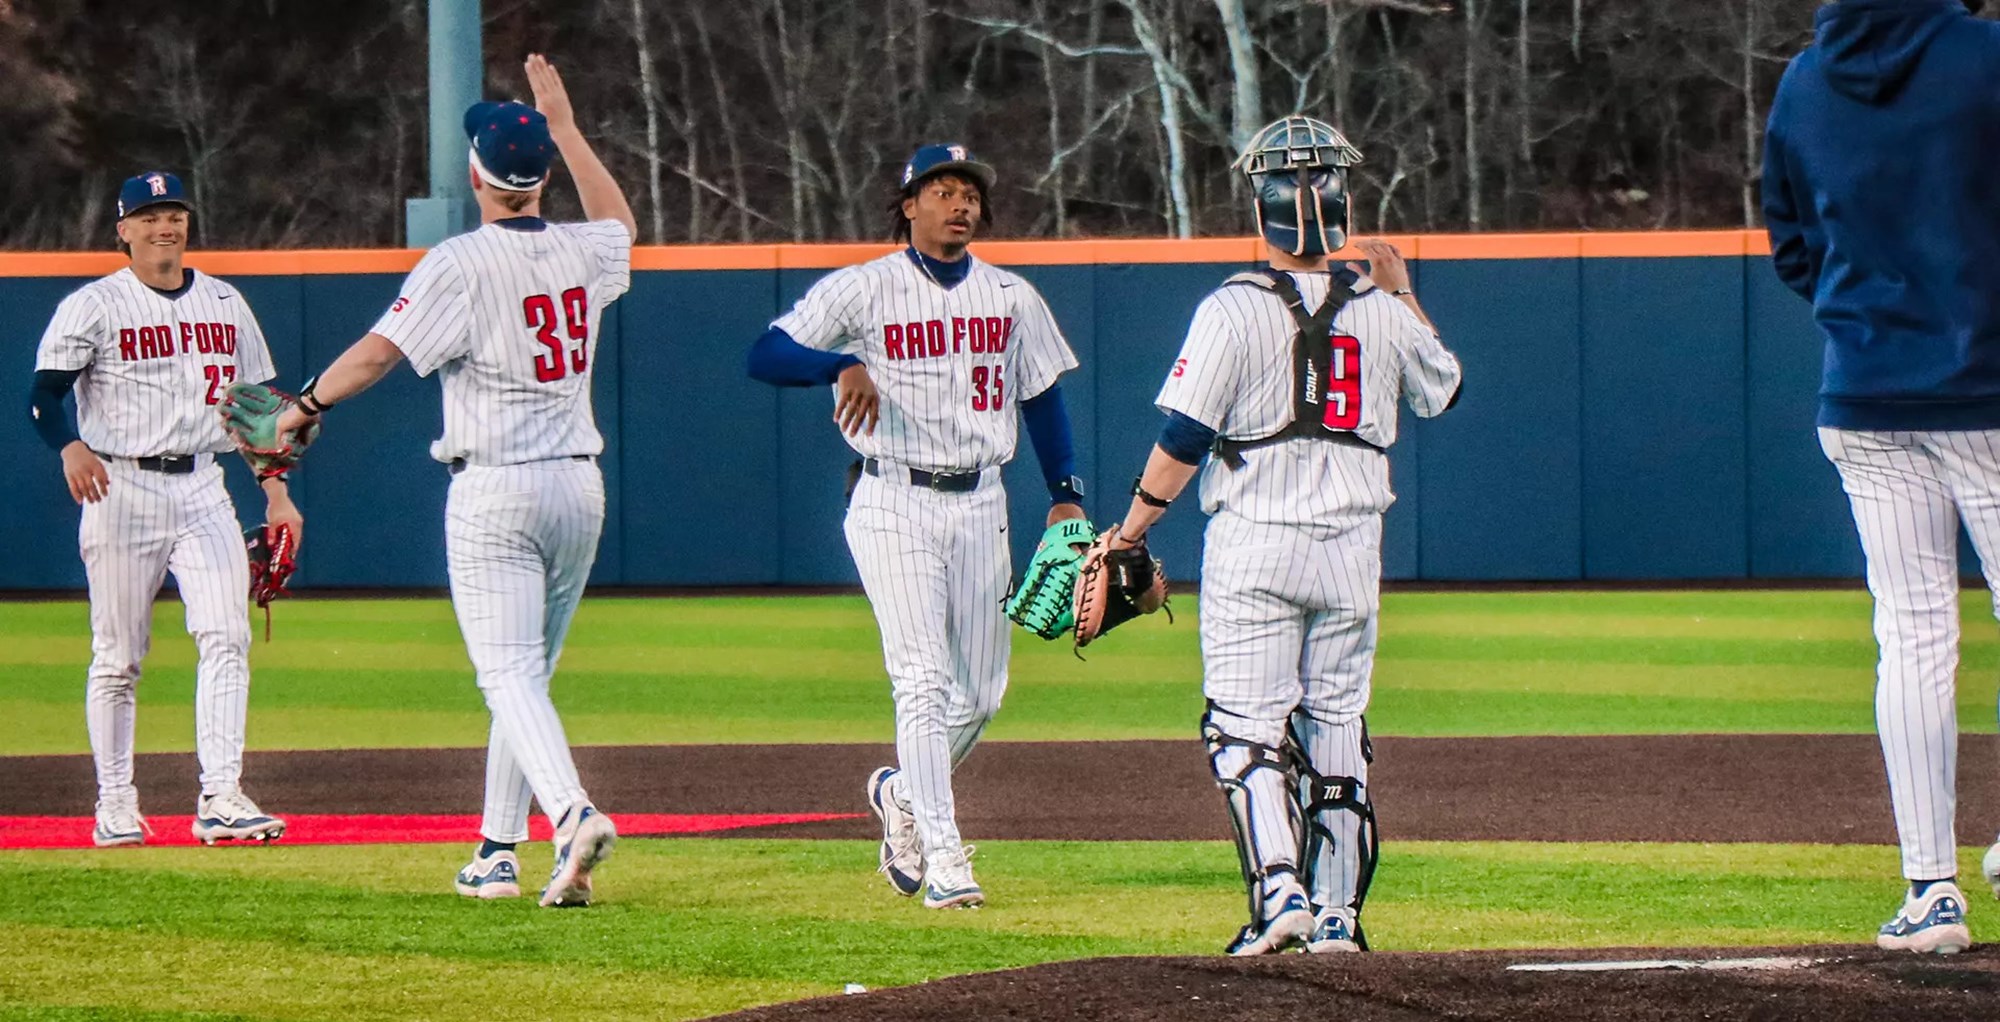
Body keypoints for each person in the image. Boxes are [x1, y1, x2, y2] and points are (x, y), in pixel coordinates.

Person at [273, 55, 634, 906]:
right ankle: (497, 853)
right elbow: (619, 223)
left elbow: (374, 357)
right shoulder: (584, 248)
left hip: (497, 489)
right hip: (579, 488)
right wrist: (569, 127)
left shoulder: (459, 261)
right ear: (540, 175)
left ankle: (573, 813)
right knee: (527, 678)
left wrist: (301, 406)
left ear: (475, 173)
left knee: (506, 675)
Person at [1106, 116, 1460, 954]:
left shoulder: (1231, 307)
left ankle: (1280, 897)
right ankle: (1339, 915)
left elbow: (1185, 437)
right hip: (1351, 548)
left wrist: (1128, 534)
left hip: (1257, 541)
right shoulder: (1382, 312)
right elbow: (1442, 391)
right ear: (1343, 203)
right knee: (1337, 724)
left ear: (1258, 205)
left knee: (1245, 729)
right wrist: (1403, 287)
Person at [746, 143, 1086, 909]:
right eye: (941, 189)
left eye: (969, 191)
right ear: (908, 205)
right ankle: (945, 857)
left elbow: (1040, 398)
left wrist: (1065, 493)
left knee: (984, 693)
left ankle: (900, 793)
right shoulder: (866, 288)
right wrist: (836, 365)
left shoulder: (1009, 295)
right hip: (893, 498)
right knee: (923, 681)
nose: (960, 202)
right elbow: (766, 354)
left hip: (982, 501)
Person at [1763, 0, 2000, 956]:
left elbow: (1792, 246)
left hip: (1863, 395)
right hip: (1989, 391)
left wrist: (1868, 309)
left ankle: (1931, 890)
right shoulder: (1986, 55)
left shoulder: (1806, 78)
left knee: (1911, 638)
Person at [28, 171, 298, 847]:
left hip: (203, 484)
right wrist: (68, 446)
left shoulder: (226, 302)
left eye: (173, 213)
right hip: (121, 488)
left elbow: (257, 414)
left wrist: (275, 490)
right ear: (122, 230)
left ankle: (222, 797)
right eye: (148, 216)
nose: (163, 226)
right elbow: (43, 397)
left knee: (227, 635)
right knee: (119, 656)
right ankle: (115, 802)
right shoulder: (94, 305)